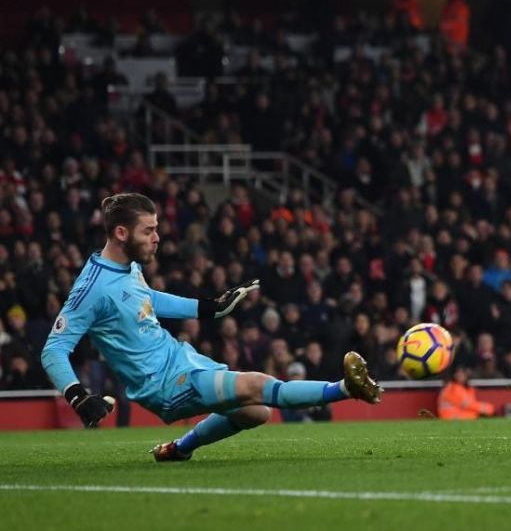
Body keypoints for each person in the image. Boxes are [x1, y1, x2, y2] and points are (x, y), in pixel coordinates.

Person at [41, 193, 382, 462]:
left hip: (182, 360)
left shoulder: (127, 268)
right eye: (149, 231)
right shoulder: (93, 288)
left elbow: (148, 298)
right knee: (258, 384)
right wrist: (78, 396)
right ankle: (346, 388)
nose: (157, 238)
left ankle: (180, 448)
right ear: (121, 233)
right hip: (163, 385)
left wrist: (212, 308)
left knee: (256, 412)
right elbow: (53, 349)